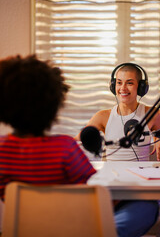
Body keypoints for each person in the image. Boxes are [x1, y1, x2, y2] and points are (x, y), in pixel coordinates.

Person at [75, 63, 160, 237]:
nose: (123, 88)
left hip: (140, 189)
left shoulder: (152, 114)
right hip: (112, 187)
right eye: (119, 82)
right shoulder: (103, 116)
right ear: (113, 86)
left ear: (141, 87)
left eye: (130, 83)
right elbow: (77, 141)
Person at [0, 55, 97, 202]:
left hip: (23, 224)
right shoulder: (66, 148)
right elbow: (91, 191)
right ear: (54, 104)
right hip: (69, 223)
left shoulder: (2, 150)